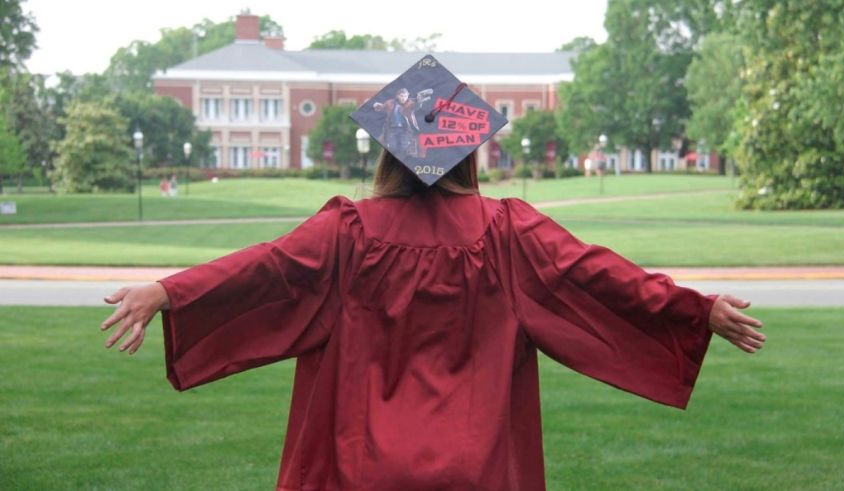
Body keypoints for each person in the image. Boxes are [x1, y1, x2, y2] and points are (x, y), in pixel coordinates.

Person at [99, 55, 766, 490]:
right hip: (477, 468)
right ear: (467, 153)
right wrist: (692, 309)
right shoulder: (507, 234)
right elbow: (594, 276)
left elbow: (265, 273)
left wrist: (168, 291)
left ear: (388, 152)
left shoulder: (347, 235)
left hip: (357, 465)